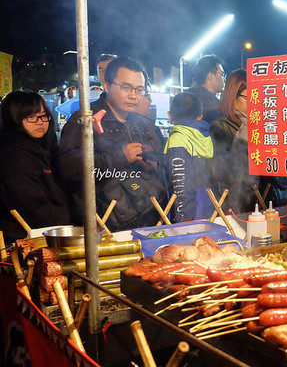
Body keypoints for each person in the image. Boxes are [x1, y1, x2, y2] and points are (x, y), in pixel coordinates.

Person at [59, 56, 167, 231]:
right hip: (102, 225)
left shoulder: (145, 124)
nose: (133, 96)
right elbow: (68, 168)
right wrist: (119, 156)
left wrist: (153, 164)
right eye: (126, 88)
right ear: (107, 85)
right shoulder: (85, 120)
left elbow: (163, 164)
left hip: (148, 222)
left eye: (139, 90)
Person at [0, 91, 71, 244]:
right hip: (27, 241)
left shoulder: (45, 149)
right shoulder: (14, 155)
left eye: (44, 115)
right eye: (31, 116)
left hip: (51, 233)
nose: (40, 122)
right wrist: (70, 225)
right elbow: (34, 207)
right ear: (14, 119)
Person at [209, 68, 258, 213]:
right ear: (232, 96)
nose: (254, 104)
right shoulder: (219, 128)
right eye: (248, 98)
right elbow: (220, 170)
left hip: (257, 200)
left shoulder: (257, 127)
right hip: (232, 203)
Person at [164, 92, 214, 222]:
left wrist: (183, 222)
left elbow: (181, 186)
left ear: (170, 116)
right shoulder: (205, 138)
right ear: (200, 117)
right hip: (206, 206)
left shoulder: (177, 140)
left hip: (188, 215)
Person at [188, 54, 226, 124]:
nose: (224, 79)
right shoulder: (213, 106)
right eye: (222, 75)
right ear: (210, 76)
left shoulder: (187, 98)